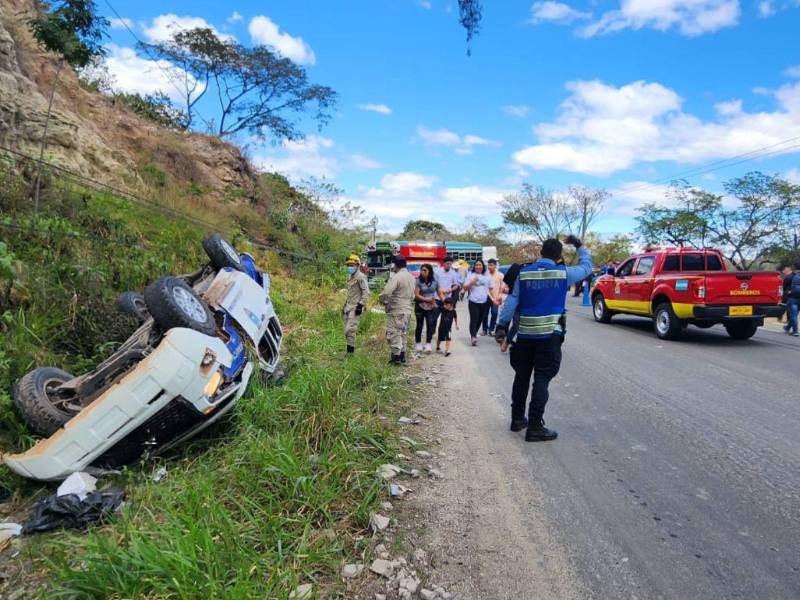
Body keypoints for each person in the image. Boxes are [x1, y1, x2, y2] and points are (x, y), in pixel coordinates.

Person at [495, 235, 592, 442]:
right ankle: (535, 427)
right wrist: (579, 246)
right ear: (559, 256)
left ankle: (517, 419)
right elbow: (586, 267)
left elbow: (513, 300)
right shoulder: (564, 273)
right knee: (542, 378)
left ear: (541, 253)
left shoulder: (524, 273)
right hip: (550, 336)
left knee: (521, 377)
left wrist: (502, 325)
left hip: (525, 335)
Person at [379, 255, 416, 364]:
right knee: (403, 333)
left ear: (395, 265)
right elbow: (413, 295)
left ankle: (396, 357)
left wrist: (383, 301)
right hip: (407, 310)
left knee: (394, 333)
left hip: (396, 309)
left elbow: (386, 292)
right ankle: (402, 355)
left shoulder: (397, 277)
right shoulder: (411, 277)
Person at [463, 259, 495, 346]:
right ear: (474, 266)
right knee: (474, 319)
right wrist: (472, 281)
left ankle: (474, 334)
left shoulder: (487, 276)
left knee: (480, 320)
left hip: (484, 302)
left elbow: (491, 288)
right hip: (473, 301)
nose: (478, 266)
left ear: (482, 266)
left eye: (480, 265)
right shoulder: (471, 274)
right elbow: (465, 288)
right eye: (476, 265)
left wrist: (494, 299)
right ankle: (473, 337)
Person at [343, 254, 369, 354]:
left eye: (352, 265)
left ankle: (351, 353)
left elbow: (366, 293)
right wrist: (345, 305)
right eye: (348, 265)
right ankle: (350, 352)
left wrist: (360, 305)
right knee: (347, 332)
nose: (349, 267)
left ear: (357, 265)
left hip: (356, 307)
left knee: (350, 330)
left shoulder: (361, 277)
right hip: (348, 307)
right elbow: (351, 293)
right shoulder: (350, 276)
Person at [413, 263, 439, 353]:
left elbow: (439, 292)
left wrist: (445, 302)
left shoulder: (435, 281)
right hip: (420, 305)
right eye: (422, 270)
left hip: (431, 306)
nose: (423, 272)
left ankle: (428, 344)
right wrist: (426, 299)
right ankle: (418, 343)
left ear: (430, 271)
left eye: (425, 270)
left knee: (430, 324)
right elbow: (416, 295)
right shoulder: (418, 281)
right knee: (419, 325)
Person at [483, 258, 506, 336]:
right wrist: (491, 297)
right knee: (485, 314)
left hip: (496, 298)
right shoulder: (485, 274)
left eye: (491, 265)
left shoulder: (500, 275)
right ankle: (484, 329)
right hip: (487, 297)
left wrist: (499, 296)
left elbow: (502, 287)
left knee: (494, 313)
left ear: (495, 266)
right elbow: (485, 287)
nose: (489, 267)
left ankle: (491, 329)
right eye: (488, 265)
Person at [784, 262, 800, 337]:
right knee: (795, 315)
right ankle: (787, 327)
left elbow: (785, 288)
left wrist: (788, 292)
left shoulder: (791, 276)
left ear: (794, 268)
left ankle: (795, 331)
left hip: (793, 298)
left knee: (793, 316)